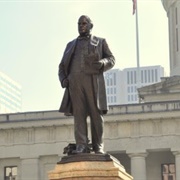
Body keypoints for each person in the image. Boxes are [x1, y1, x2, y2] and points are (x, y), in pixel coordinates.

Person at [58, 15, 115, 154]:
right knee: (79, 115)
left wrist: (102, 63)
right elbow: (62, 66)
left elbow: (111, 59)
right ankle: (81, 145)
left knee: (96, 114)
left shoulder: (100, 42)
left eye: (84, 23)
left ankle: (98, 146)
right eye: (79, 24)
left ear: (90, 25)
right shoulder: (70, 45)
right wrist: (64, 79)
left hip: (93, 81)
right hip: (75, 83)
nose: (81, 26)